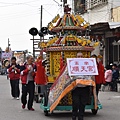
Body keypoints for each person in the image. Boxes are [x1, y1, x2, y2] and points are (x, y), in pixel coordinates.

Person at [71, 52, 91, 120]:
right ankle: (74, 116)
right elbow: (70, 76)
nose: (80, 58)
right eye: (78, 56)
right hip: (76, 88)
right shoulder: (72, 65)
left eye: (81, 56)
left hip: (85, 88)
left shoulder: (87, 66)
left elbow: (90, 76)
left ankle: (81, 117)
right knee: (75, 103)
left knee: (83, 103)